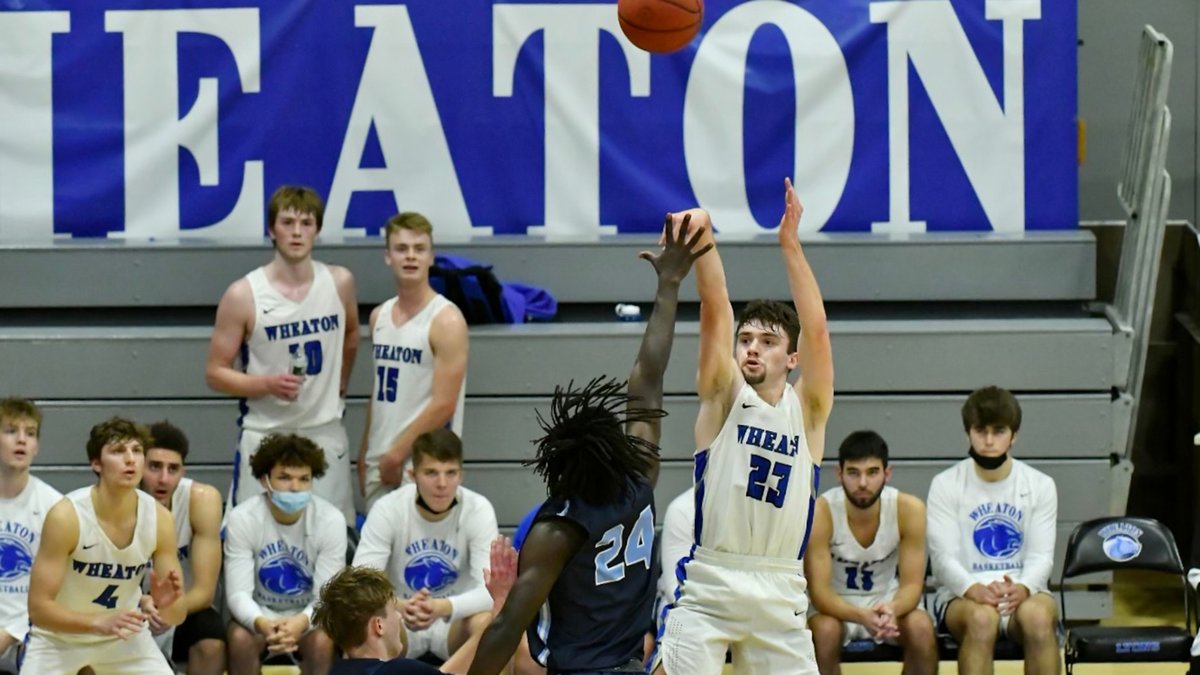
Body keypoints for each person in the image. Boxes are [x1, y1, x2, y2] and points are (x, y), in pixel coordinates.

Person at [468, 213, 711, 675]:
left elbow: (506, 628)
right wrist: (670, 285)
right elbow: (648, 377)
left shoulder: (557, 530)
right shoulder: (639, 475)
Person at [653, 179, 834, 675]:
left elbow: (816, 328)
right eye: (746, 339)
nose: (752, 347)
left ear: (791, 358)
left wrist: (790, 246)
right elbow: (716, 306)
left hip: (781, 590)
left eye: (768, 341)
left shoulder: (809, 410)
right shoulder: (722, 395)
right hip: (713, 579)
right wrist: (703, 236)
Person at [206, 185, 360, 525]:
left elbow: (351, 335)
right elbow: (215, 372)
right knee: (254, 539)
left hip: (324, 429)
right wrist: (266, 384)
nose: (296, 232)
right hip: (266, 431)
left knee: (334, 537)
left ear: (317, 230)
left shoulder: (339, 282)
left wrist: (340, 382)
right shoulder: (243, 294)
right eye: (287, 222)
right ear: (271, 229)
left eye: (306, 223)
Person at [23, 417, 185, 674]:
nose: (131, 459)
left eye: (137, 450)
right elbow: (39, 608)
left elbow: (176, 615)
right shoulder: (66, 516)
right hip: (60, 638)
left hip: (124, 636)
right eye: (119, 451)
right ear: (96, 464)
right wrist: (98, 623)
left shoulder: (159, 519)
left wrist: (167, 606)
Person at [927, 385, 1060, 675]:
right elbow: (943, 560)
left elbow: (1041, 557)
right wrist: (974, 589)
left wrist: (1023, 588)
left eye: (998, 431)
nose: (988, 441)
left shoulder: (1040, 485)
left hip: (1023, 591)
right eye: (980, 431)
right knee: (982, 620)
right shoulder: (945, 484)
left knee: (1038, 617)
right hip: (962, 597)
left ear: (1014, 435)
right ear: (968, 433)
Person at [353, 429, 498, 666]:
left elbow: (490, 592)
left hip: (454, 619)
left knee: (492, 625)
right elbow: (361, 583)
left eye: (450, 473)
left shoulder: (478, 509)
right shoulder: (388, 508)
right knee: (364, 622)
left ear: (461, 475)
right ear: (413, 475)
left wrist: (441, 607)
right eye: (431, 473)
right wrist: (399, 605)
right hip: (398, 616)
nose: (442, 484)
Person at [803, 430, 937, 675]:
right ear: (839, 474)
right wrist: (860, 615)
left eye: (872, 472)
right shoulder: (821, 513)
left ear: (887, 473)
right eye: (853, 473)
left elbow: (912, 587)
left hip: (886, 600)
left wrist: (892, 610)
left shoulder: (908, 510)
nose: (863, 483)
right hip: (835, 604)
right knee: (823, 632)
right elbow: (820, 593)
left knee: (921, 627)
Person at [360, 211, 468, 509]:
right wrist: (365, 452)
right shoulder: (378, 316)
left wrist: (396, 455)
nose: (411, 257)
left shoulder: (446, 320)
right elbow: (379, 390)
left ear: (431, 257)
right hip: (379, 460)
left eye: (419, 249)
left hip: (424, 464)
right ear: (387, 256)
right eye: (402, 249)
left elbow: (444, 403)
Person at [223, 433, 347, 675]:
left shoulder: (331, 520)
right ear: (264, 480)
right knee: (240, 638)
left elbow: (327, 597)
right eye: (285, 478)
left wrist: (300, 622)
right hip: (260, 615)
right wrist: (262, 623)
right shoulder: (242, 518)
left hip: (309, 616)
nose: (295, 487)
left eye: (304, 479)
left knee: (323, 640)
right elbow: (238, 594)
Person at [315, 537, 517, 675]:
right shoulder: (401, 670)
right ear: (379, 625)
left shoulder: (334, 671)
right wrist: (502, 605)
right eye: (394, 611)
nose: (399, 618)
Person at [138, 420, 226, 674]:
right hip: (130, 608)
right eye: (154, 467)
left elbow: (205, 591)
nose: (163, 479)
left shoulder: (201, 500)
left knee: (210, 638)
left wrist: (170, 613)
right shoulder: (119, 498)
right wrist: (141, 607)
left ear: (183, 471)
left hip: (185, 606)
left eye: (173, 469)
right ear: (139, 465)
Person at [0, 398, 63, 672]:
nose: (21, 441)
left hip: (31, 631)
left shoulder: (55, 507)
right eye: (11, 431)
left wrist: (11, 631)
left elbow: (60, 589)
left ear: (37, 446)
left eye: (30, 433)